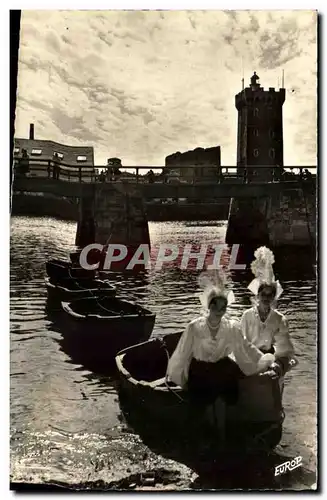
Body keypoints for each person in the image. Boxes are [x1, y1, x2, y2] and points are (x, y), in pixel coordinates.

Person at [166, 271, 276, 407]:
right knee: (200, 403)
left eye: (223, 306)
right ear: (209, 306)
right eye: (216, 306)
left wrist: (265, 361)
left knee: (226, 395)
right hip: (200, 369)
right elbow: (183, 353)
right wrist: (180, 377)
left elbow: (246, 346)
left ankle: (222, 420)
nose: (220, 310)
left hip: (222, 368)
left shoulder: (231, 326)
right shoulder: (194, 326)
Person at [241, 246, 297, 380]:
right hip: (250, 358)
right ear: (257, 295)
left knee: (272, 372)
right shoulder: (247, 315)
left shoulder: (279, 319)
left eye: (270, 295)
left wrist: (276, 364)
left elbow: (283, 346)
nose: (266, 298)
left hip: (271, 358)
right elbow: (242, 341)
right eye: (263, 294)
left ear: (273, 297)